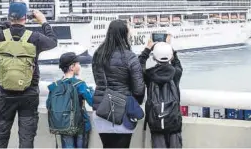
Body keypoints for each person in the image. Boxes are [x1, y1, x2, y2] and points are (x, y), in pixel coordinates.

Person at [0, 1, 57, 148]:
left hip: (5, 94)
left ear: (9, 17)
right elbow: (53, 41)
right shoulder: (34, 37)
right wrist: (43, 22)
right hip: (29, 94)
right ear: (25, 17)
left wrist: (10, 23)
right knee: (26, 139)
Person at [91, 20, 145, 148]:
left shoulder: (98, 54)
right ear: (124, 34)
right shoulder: (130, 57)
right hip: (123, 109)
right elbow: (139, 89)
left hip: (101, 108)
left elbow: (98, 81)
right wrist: (135, 103)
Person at [139, 36, 183, 148]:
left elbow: (138, 66)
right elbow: (177, 64)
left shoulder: (149, 75)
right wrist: (169, 47)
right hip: (174, 122)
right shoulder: (176, 73)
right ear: (171, 56)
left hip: (156, 122)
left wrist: (147, 49)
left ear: (154, 57)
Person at [46, 52, 94, 148]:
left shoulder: (56, 85)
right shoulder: (79, 84)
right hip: (80, 125)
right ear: (72, 67)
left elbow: (48, 105)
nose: (79, 66)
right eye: (78, 64)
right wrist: (91, 90)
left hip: (63, 125)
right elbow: (92, 102)